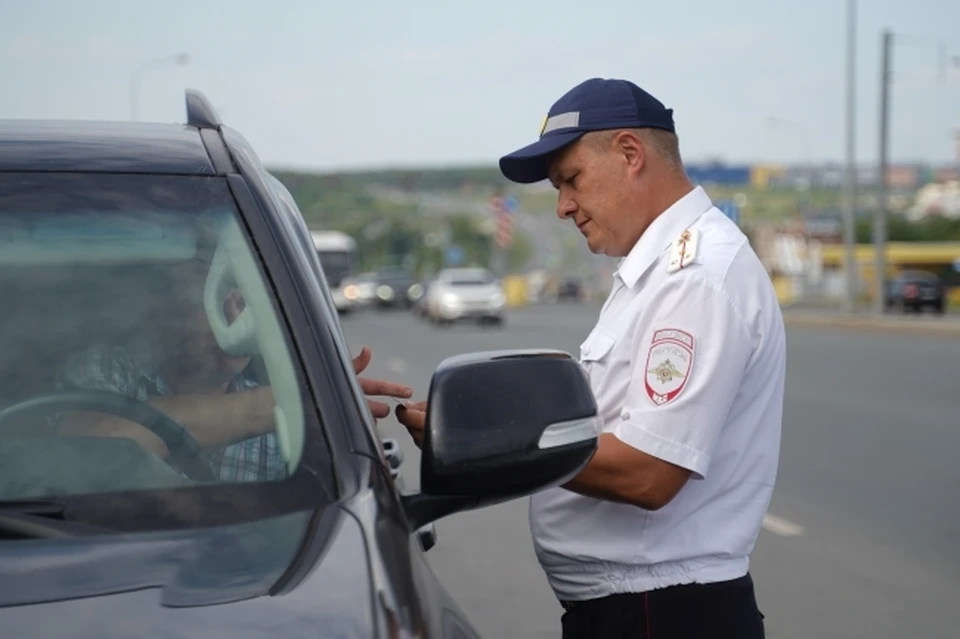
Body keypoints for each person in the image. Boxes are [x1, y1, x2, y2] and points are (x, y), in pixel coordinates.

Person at [396, 77, 786, 638]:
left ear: (630, 153)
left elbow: (648, 473)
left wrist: (486, 439)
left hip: (662, 613)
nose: (562, 207)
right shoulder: (655, 275)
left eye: (571, 180)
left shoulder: (694, 278)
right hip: (640, 609)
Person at [54, 256, 411, 482]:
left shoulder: (289, 434)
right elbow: (87, 446)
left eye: (241, 302)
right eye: (208, 302)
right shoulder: (109, 367)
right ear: (163, 317)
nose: (234, 320)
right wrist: (295, 402)